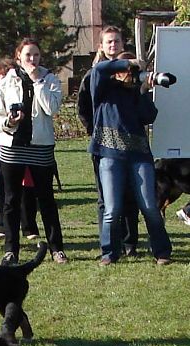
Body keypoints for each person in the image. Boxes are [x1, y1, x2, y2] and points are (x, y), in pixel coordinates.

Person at [0, 38, 68, 265]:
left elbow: (51, 108)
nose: (32, 60)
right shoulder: (6, 82)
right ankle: (11, 250)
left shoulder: (50, 79)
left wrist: (37, 82)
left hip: (40, 145)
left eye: (36, 55)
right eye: (27, 56)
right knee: (11, 200)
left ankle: (57, 248)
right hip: (12, 146)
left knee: (46, 199)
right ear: (18, 58)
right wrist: (9, 123)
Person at [89, 52, 172, 266]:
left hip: (139, 156)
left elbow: (149, 116)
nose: (128, 74)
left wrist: (144, 90)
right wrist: (128, 62)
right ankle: (109, 253)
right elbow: (98, 69)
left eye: (133, 71)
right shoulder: (103, 89)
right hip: (109, 155)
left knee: (149, 207)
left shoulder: (136, 92)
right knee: (112, 208)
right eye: (124, 70)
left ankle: (162, 252)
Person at [77, 25, 139, 257]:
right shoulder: (94, 74)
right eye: (109, 42)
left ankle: (130, 241)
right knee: (106, 198)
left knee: (130, 195)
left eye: (117, 41)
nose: (113, 45)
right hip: (104, 144)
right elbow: (83, 107)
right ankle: (110, 245)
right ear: (101, 46)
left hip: (131, 143)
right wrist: (94, 130)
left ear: (123, 44)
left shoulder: (132, 72)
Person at [0, 59, 39, 241]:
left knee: (26, 187)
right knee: (1, 189)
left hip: (19, 146)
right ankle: (2, 226)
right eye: (3, 75)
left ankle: (29, 226)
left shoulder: (22, 94)